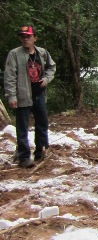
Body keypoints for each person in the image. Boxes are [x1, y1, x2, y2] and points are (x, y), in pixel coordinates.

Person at [4, 25, 56, 167]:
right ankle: (24, 157)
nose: (25, 39)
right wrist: (11, 96)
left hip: (39, 94)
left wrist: (46, 79)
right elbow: (9, 76)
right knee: (22, 127)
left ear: (35, 38)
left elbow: (51, 67)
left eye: (28, 36)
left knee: (42, 124)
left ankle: (41, 151)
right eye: (23, 36)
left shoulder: (42, 53)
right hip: (22, 95)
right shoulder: (14, 54)